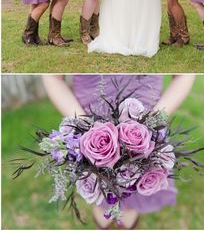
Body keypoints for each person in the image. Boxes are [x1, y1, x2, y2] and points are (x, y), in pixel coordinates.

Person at [42, 74, 195, 230]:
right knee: (101, 197)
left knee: (133, 193)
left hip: (143, 121)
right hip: (89, 112)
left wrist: (153, 120)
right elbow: (52, 76)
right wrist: (83, 124)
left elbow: (184, 74)